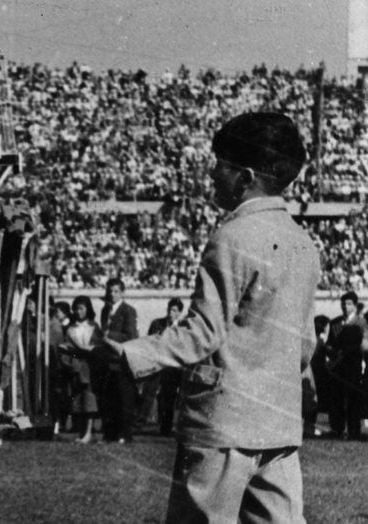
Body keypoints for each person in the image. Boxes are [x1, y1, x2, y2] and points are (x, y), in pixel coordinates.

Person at [105, 113, 319, 523]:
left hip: (222, 425)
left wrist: (129, 354)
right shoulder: (303, 243)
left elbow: (202, 333)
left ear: (245, 176)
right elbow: (304, 344)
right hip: (278, 424)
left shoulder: (231, 237)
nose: (213, 173)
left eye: (221, 164)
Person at [98, 277, 138, 443]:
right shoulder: (105, 310)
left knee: (124, 399)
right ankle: (110, 433)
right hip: (108, 359)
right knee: (109, 399)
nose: (112, 294)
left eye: (115, 291)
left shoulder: (128, 310)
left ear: (122, 293)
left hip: (121, 360)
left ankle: (124, 434)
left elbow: (131, 335)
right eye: (110, 291)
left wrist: (109, 336)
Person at [323, 291, 367, 440]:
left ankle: (354, 431)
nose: (345, 306)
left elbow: (362, 344)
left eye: (348, 304)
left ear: (354, 306)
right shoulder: (334, 322)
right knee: (336, 399)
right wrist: (331, 354)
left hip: (353, 365)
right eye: (343, 303)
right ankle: (337, 429)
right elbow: (329, 344)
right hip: (337, 367)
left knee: (353, 400)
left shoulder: (361, 323)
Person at [58, 296, 101, 444]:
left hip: (90, 367)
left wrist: (90, 350)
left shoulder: (93, 327)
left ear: (87, 309)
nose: (78, 311)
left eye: (82, 308)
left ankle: (88, 432)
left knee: (89, 399)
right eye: (76, 308)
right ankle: (82, 431)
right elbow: (66, 348)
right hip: (76, 367)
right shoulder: (70, 328)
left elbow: (98, 346)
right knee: (78, 399)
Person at [144, 298, 184, 436]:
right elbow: (149, 341)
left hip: (174, 367)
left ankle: (168, 426)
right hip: (158, 364)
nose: (170, 313)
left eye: (174, 310)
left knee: (170, 397)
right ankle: (157, 423)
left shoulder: (183, 327)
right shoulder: (157, 324)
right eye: (169, 309)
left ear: (179, 312)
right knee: (157, 395)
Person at [47, 301, 71, 435]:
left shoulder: (58, 327)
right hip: (57, 364)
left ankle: (61, 422)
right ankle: (58, 422)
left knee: (60, 394)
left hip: (59, 364)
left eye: (60, 311)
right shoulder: (56, 325)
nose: (57, 313)